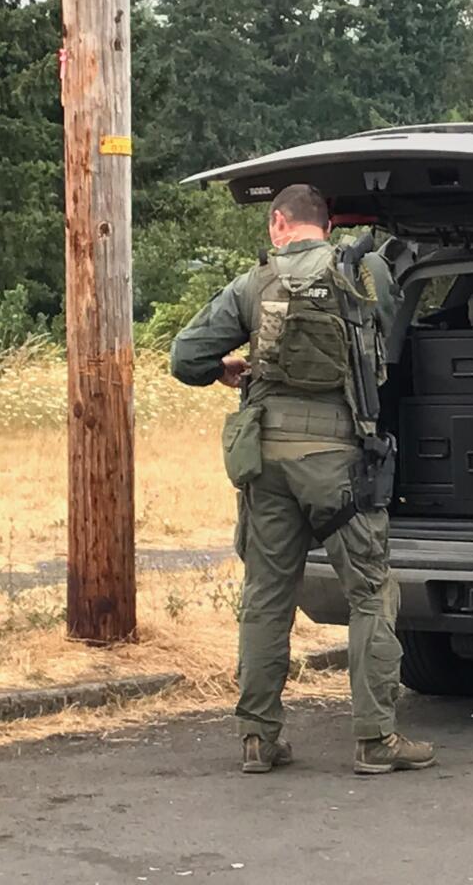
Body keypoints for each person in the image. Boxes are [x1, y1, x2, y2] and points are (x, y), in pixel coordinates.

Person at [170, 183, 436, 775]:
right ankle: (375, 739)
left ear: (277, 225)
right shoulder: (361, 274)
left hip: (264, 461)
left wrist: (224, 369)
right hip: (338, 463)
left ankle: (258, 740)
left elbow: (184, 356)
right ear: (327, 224)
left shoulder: (253, 284)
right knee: (371, 592)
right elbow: (403, 332)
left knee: (267, 596)